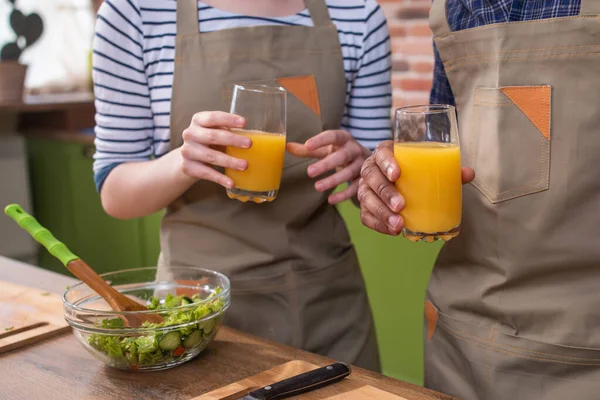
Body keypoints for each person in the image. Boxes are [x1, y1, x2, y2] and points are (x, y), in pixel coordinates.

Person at [91, 0, 392, 371]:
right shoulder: (135, 14)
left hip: (329, 300)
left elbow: (378, 181)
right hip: (198, 310)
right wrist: (184, 162)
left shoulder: (357, 13)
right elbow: (115, 194)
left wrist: (362, 165)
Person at [358, 0, 600, 397]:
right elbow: (445, 139)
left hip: (585, 352)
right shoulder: (455, 10)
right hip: (461, 343)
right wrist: (387, 180)